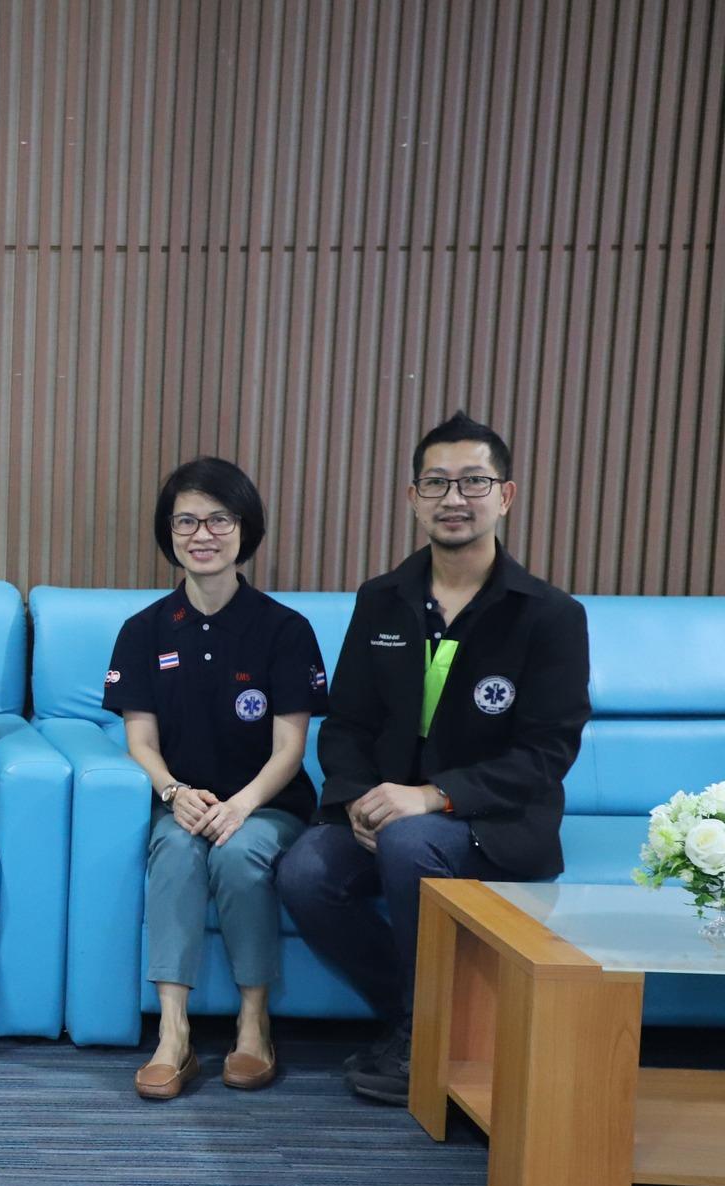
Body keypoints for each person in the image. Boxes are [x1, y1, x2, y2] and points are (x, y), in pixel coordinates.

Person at [277, 411, 590, 1105]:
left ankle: (424, 1034)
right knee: (304, 871)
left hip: (492, 822)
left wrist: (432, 796)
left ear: (505, 496)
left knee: (410, 841)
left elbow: (547, 753)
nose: (454, 498)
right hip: (388, 815)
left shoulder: (549, 615)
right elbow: (347, 723)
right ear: (413, 497)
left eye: (473, 481)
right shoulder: (382, 599)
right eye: (437, 483)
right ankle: (419, 1015)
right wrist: (355, 800)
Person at [102, 458, 328, 1099]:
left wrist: (242, 805)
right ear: (169, 533)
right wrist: (173, 792)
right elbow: (140, 741)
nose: (202, 535)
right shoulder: (143, 630)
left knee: (239, 853)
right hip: (179, 802)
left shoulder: (285, 630)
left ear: (244, 528)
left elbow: (290, 749)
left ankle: (253, 1025)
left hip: (267, 805)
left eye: (219, 520)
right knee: (176, 852)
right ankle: (173, 1035)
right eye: (186, 522)